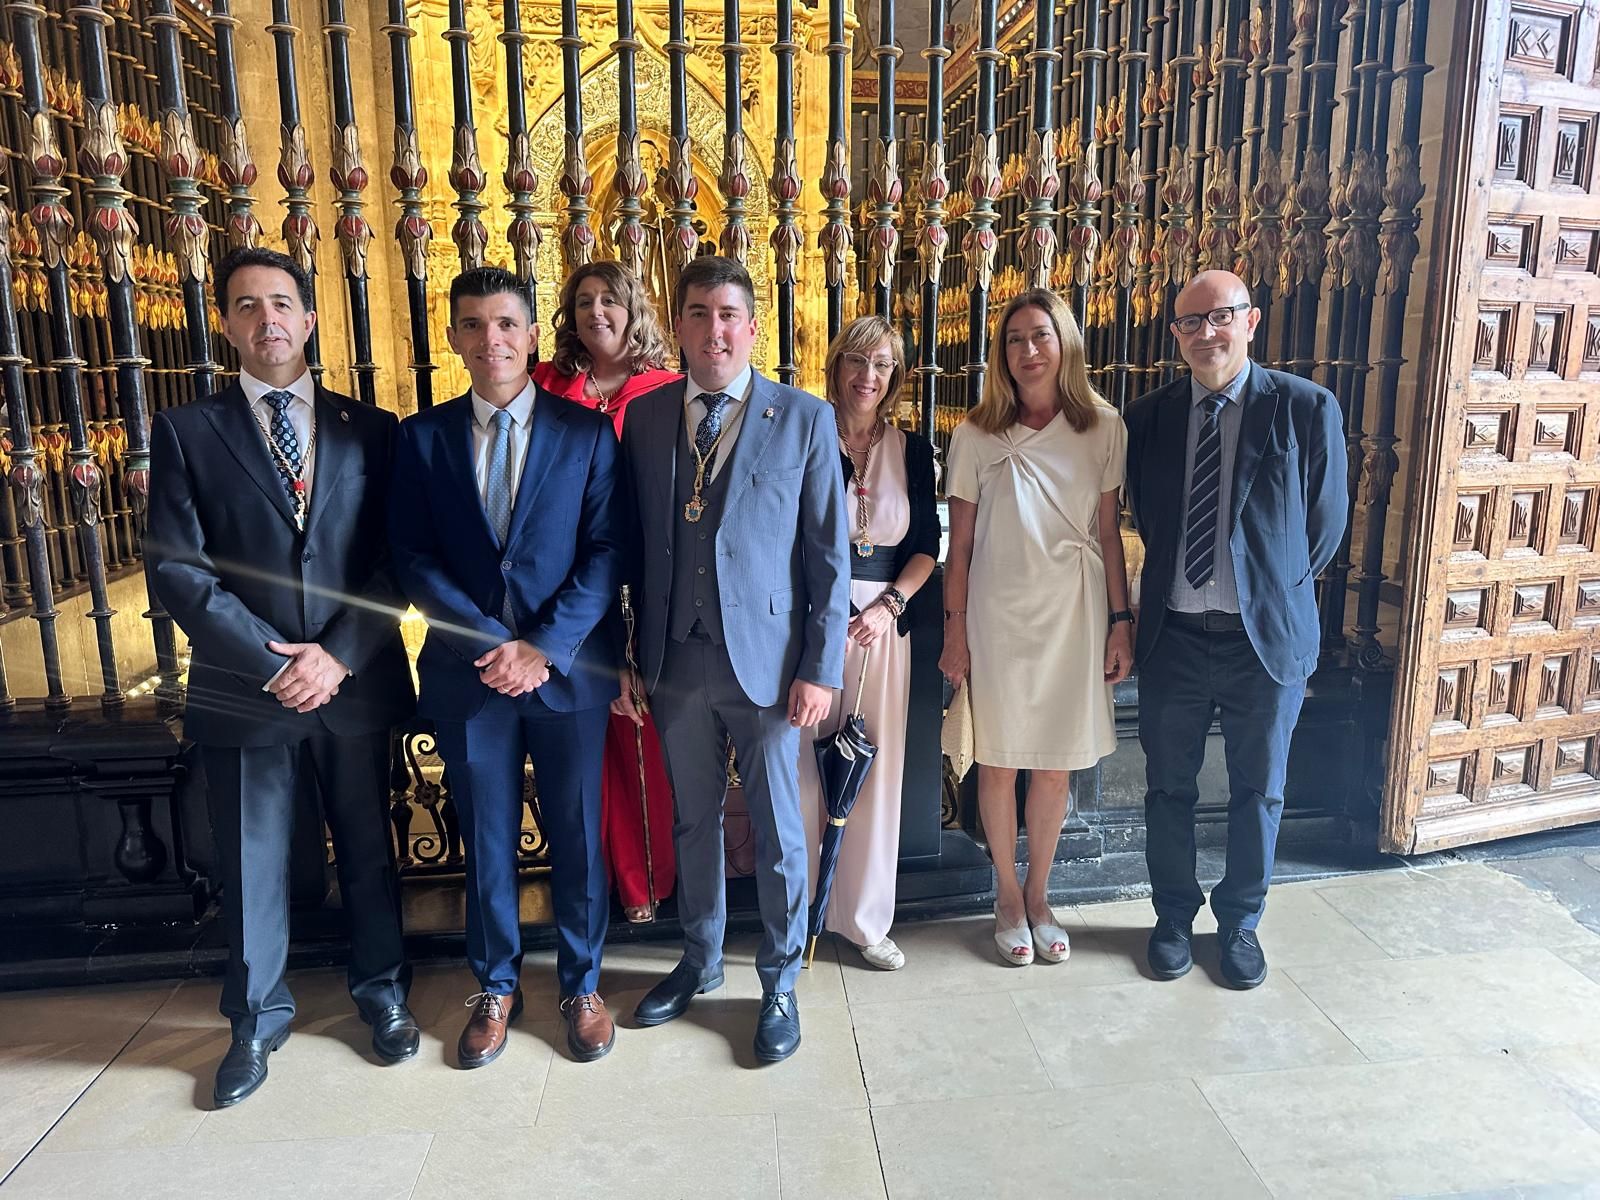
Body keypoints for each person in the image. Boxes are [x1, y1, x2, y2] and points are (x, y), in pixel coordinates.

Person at [146, 247, 418, 1108]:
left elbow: (397, 559)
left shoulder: (372, 429)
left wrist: (337, 654)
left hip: (352, 679)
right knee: (252, 859)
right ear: (226, 324)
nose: (266, 318)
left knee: (369, 848)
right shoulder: (187, 431)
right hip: (246, 686)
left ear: (308, 318)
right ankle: (255, 1019)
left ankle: (383, 991)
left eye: (280, 302)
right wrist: (273, 663)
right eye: (246, 305)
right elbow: (178, 569)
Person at [614, 255, 849, 1063]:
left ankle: (778, 979)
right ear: (677, 325)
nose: (713, 330)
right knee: (693, 818)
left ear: (751, 328)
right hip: (674, 656)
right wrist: (625, 652)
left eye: (727, 315)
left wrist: (820, 667)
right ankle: (701, 957)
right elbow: (630, 545)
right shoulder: (647, 418)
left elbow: (828, 554)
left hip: (770, 665)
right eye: (698, 313)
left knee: (780, 828)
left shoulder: (804, 417)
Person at [388, 266, 624, 1065]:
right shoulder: (421, 439)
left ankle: (582, 985)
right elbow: (413, 558)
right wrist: (493, 644)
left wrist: (543, 647)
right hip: (471, 674)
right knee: (486, 839)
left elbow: (606, 552)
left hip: (568, 673)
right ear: (455, 337)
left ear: (530, 334)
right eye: (474, 325)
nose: (491, 339)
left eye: (506, 324)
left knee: (577, 836)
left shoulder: (586, 433)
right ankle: (494, 986)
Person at [1124, 269, 1347, 990]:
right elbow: (1149, 519)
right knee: (1168, 788)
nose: (1205, 333)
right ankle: (1172, 916)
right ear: (1176, 334)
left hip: (1264, 641)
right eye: (1189, 322)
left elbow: (1324, 527)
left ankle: (1241, 921)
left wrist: (1268, 591)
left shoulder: (1305, 408)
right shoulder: (1148, 417)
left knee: (1260, 791)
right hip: (1176, 637)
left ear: (1250, 321)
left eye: (1220, 316)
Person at [939, 288, 1134, 968]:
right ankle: (1006, 894)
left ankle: (1041, 895)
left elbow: (1108, 534)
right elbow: (959, 548)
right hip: (997, 613)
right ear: (1002, 353)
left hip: (1073, 611)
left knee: (1053, 766)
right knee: (998, 760)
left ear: (1065, 344)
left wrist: (1120, 622)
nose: (1027, 350)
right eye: (1015, 339)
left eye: (1040, 336)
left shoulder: (1102, 427)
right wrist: (955, 631)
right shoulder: (975, 434)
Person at [532, 261, 680, 924]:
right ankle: (601, 881)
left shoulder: (667, 390)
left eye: (610, 300)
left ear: (633, 309)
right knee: (586, 741)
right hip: (568, 589)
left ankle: (650, 878)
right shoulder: (545, 385)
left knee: (642, 732)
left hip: (644, 583)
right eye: (584, 301)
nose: (597, 312)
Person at [796, 316, 938, 972]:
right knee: (803, 772)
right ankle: (800, 913)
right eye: (857, 360)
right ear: (837, 365)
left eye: (882, 364)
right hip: (810, 623)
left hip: (882, 629)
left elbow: (925, 547)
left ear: (895, 376)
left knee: (872, 775)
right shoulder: (803, 431)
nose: (868, 375)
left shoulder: (913, 450)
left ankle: (863, 918)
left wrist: (889, 606)